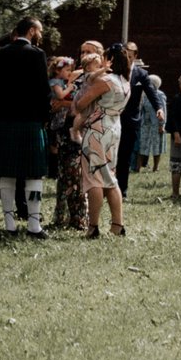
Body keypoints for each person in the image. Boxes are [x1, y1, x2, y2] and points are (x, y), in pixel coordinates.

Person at [0, 18, 53, 238]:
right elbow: (44, 91)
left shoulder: (1, 54)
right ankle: (34, 225)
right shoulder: (37, 54)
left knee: (6, 173)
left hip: (5, 122)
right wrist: (45, 118)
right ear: (32, 31)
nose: (41, 34)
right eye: (39, 31)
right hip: (31, 122)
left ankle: (9, 224)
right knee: (34, 174)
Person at [74, 46, 130, 239]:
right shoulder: (125, 82)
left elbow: (80, 104)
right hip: (114, 129)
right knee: (110, 177)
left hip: (97, 130)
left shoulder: (106, 81)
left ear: (110, 60)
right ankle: (117, 225)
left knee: (94, 179)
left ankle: (93, 226)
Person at [116, 41, 159, 190]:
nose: (127, 58)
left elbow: (151, 93)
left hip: (130, 120)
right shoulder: (114, 71)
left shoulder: (141, 74)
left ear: (135, 56)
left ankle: (122, 189)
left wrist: (159, 108)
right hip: (112, 118)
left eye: (130, 55)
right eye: (124, 55)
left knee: (125, 156)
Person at [49, 55, 85, 229]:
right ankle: (63, 215)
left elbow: (81, 104)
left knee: (77, 175)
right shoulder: (62, 81)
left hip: (81, 129)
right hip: (64, 130)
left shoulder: (87, 79)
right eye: (83, 52)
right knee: (65, 174)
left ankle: (78, 217)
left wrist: (64, 103)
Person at [134, 66, 168, 171]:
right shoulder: (144, 95)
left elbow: (163, 110)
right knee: (142, 145)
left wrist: (162, 125)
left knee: (156, 146)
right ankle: (138, 167)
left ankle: (155, 167)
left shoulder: (160, 95)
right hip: (145, 123)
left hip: (156, 124)